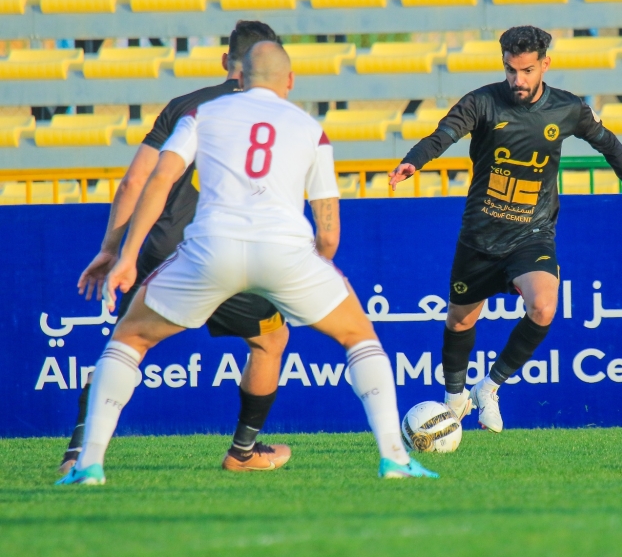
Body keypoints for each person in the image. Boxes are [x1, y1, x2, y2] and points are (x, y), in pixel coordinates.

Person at [57, 41, 438, 485]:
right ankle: (394, 458)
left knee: (130, 338)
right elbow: (328, 229)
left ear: (240, 76)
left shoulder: (202, 115)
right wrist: (315, 271)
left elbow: (158, 179)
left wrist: (125, 258)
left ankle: (88, 465)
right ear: (290, 81)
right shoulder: (310, 128)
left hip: (210, 248)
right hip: (285, 251)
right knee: (358, 336)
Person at [388, 26, 622, 433]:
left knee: (543, 306)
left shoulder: (568, 108)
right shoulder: (482, 102)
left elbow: (610, 144)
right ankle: (455, 398)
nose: (517, 80)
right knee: (459, 322)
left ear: (545, 64)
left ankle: (488, 387)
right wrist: (414, 161)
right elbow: (443, 135)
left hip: (532, 234)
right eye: (510, 70)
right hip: (480, 236)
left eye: (525, 71)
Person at [60, 21, 295, 476]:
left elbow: (135, 182)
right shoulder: (277, 115)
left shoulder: (184, 107)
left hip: (164, 249)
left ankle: (79, 452)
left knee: (126, 347)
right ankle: (243, 453)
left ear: (227, 62)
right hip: (229, 254)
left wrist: (115, 251)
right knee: (270, 340)